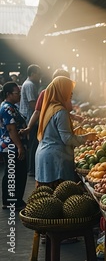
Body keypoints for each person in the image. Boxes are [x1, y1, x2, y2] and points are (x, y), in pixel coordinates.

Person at [35, 76, 97, 189]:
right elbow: (67, 139)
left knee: (48, 198)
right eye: (69, 91)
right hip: (55, 158)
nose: (71, 94)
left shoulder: (50, 107)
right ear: (62, 91)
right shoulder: (60, 111)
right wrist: (87, 137)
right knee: (58, 197)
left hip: (44, 154)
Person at [1, 82, 27, 210]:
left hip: (11, 145)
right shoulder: (7, 108)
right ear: (8, 94)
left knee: (12, 173)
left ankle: (9, 201)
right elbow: (11, 130)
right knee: (16, 173)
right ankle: (14, 202)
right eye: (17, 93)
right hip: (12, 147)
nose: (19, 96)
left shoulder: (11, 106)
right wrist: (20, 147)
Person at [20, 64, 41, 177]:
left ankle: (31, 168)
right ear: (32, 74)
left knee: (32, 143)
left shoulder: (29, 84)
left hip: (29, 117)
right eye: (38, 74)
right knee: (33, 143)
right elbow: (33, 105)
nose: (40, 76)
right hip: (30, 118)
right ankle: (32, 169)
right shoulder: (30, 85)